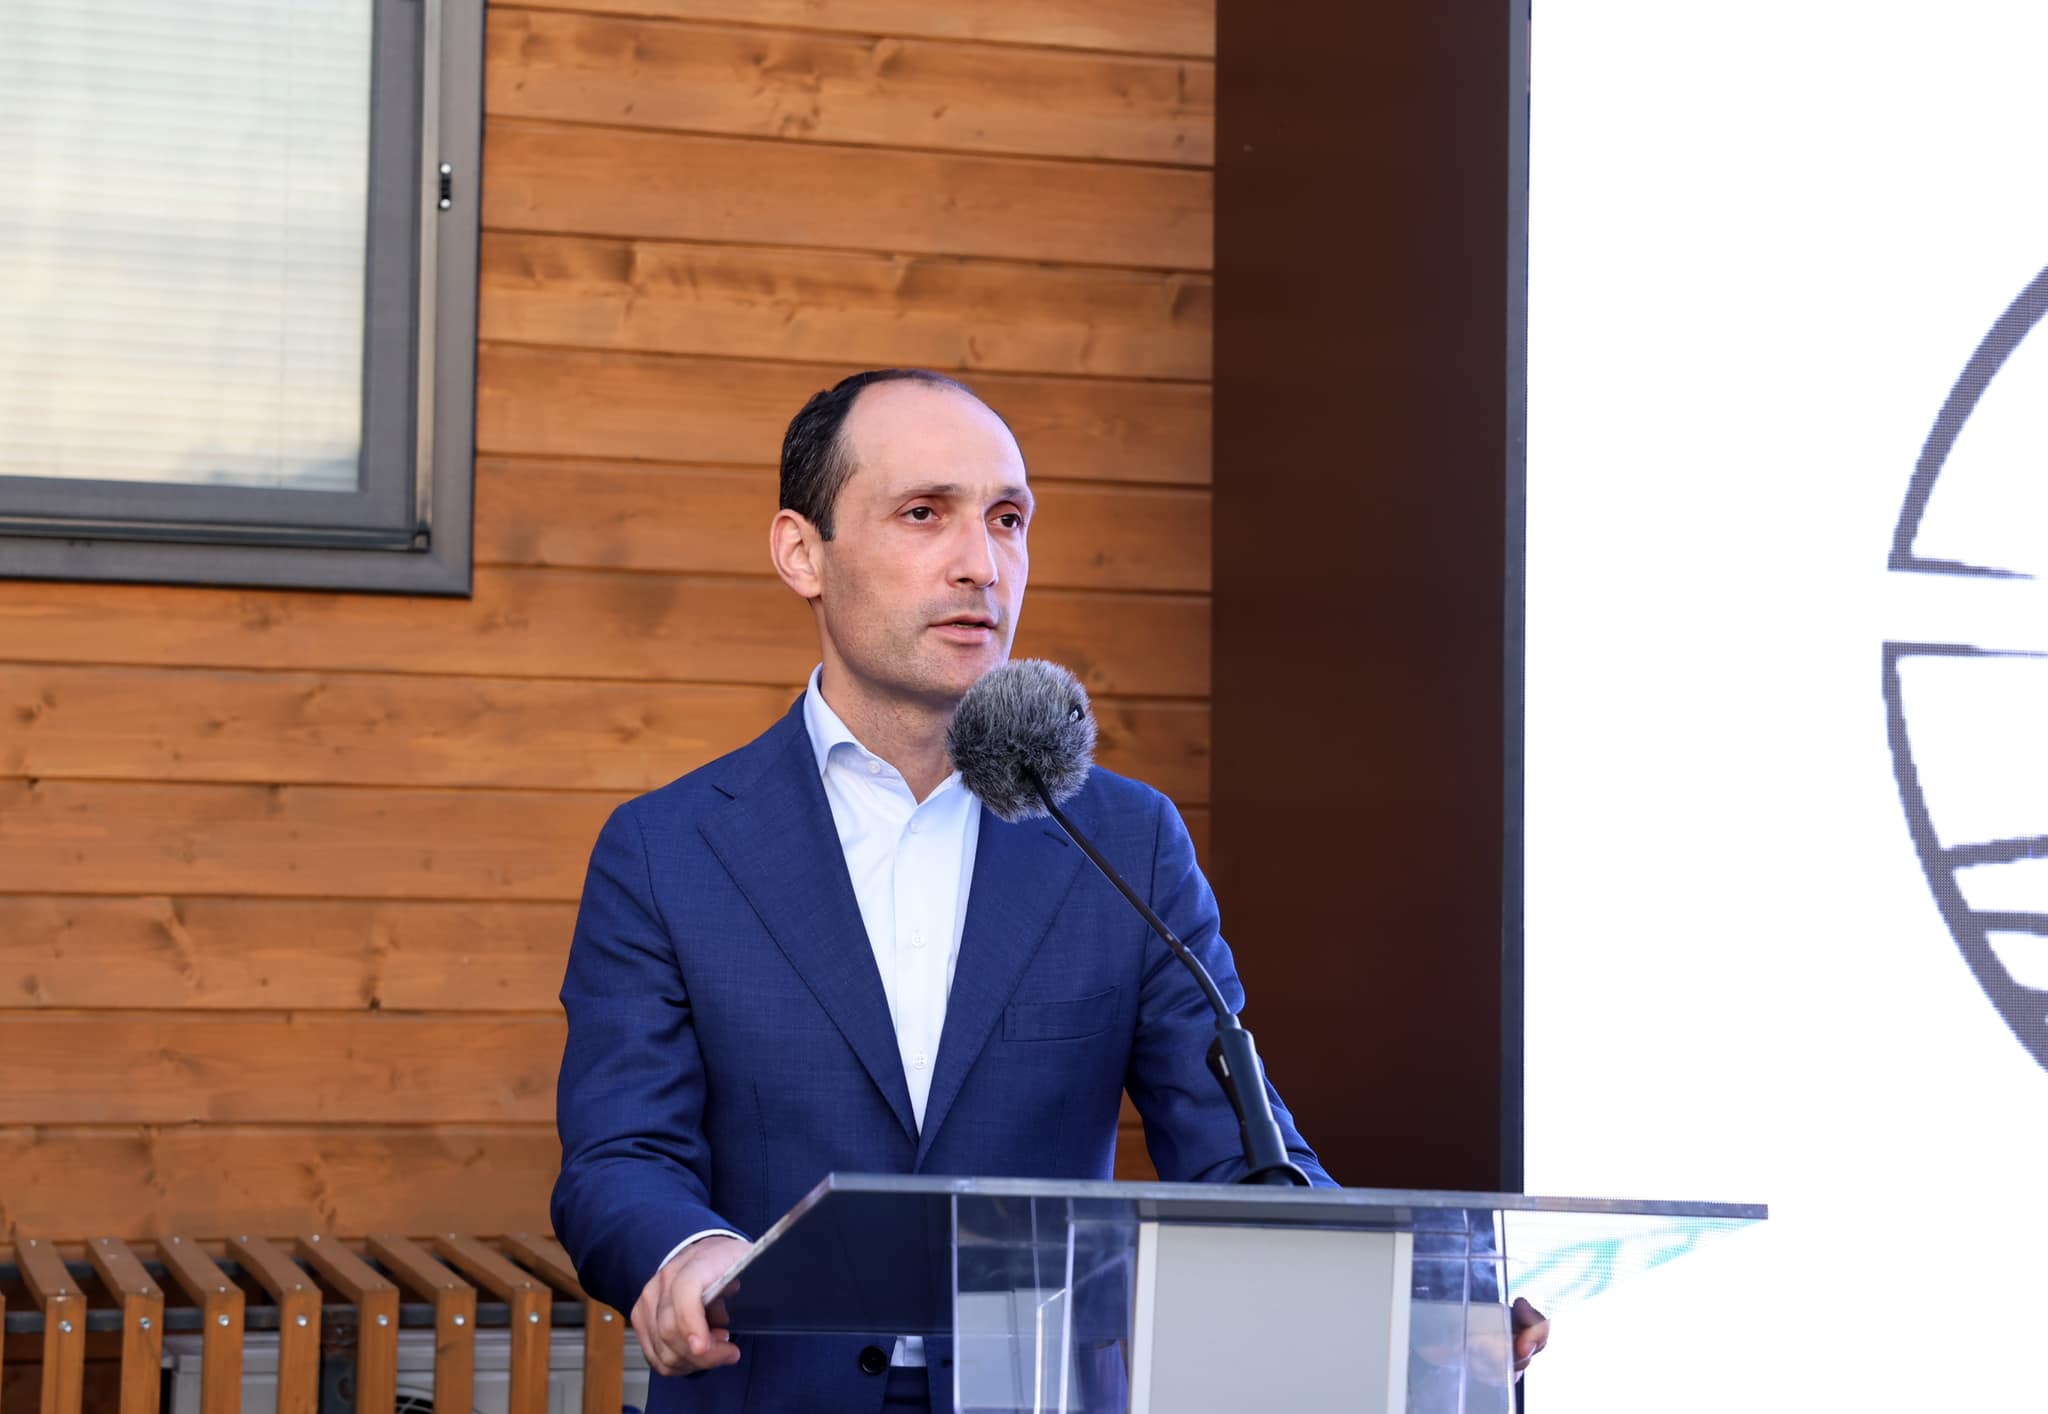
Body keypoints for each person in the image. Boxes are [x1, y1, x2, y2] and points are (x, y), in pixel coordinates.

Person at [550, 369, 1544, 1412]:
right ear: (802, 552)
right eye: (924, 513)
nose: (980, 564)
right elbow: (620, 1157)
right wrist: (687, 1254)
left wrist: (1410, 1301)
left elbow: (1241, 1150)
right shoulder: (665, 850)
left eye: (1007, 519)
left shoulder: (1122, 840)